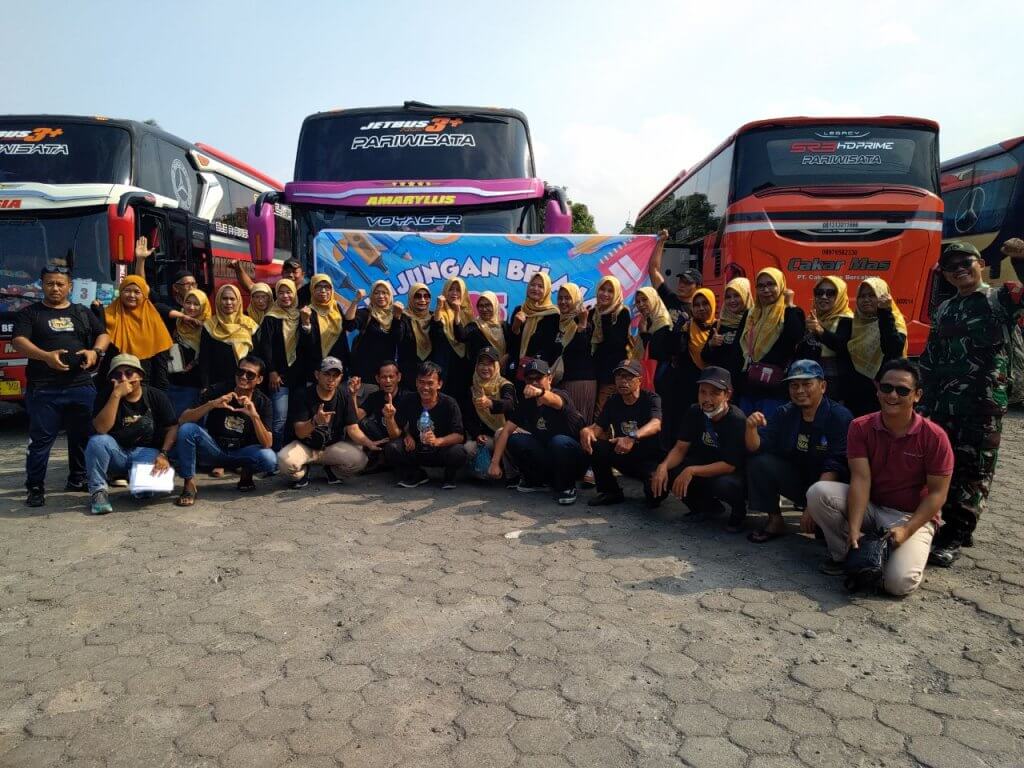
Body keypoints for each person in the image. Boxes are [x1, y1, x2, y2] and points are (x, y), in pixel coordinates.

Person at [806, 359, 953, 596]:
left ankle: (885, 557)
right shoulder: (860, 427)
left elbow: (937, 494)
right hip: (872, 507)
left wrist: (907, 530)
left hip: (909, 515)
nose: (892, 395)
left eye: (902, 390)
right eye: (886, 387)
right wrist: (854, 527)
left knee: (898, 584)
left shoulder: (935, 437)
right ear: (877, 390)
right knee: (818, 492)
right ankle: (848, 555)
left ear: (917, 395)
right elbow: (860, 479)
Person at [919, 240, 1024, 566]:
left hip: (983, 404)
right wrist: (923, 401)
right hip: (945, 404)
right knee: (944, 467)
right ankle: (954, 524)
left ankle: (956, 534)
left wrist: (1021, 259)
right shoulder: (945, 309)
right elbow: (932, 356)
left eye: (966, 262)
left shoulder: (1001, 298)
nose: (959, 270)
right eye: (951, 267)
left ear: (980, 263)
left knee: (975, 470)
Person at [13, 264, 110, 507]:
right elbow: (19, 341)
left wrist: (95, 351)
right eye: (50, 283)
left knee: (83, 437)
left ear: (70, 286)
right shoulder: (30, 313)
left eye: (60, 284)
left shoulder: (81, 311)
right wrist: (45, 356)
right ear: (42, 285)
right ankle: (35, 487)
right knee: (40, 441)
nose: (55, 288)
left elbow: (103, 334)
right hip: (44, 388)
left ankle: (78, 478)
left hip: (81, 385)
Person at [744, 360, 853, 542]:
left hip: (829, 488)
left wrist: (814, 505)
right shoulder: (784, 413)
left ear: (823, 386)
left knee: (825, 539)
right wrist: (750, 428)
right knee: (759, 462)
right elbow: (757, 446)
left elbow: (835, 464)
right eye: (794, 385)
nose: (800, 390)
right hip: (800, 481)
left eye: (807, 384)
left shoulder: (840, 417)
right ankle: (775, 521)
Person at [649, 367, 747, 526]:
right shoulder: (694, 411)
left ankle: (738, 511)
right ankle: (706, 508)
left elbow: (729, 465)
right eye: (703, 392)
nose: (707, 399)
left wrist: (692, 470)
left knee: (726, 485)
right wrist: (663, 466)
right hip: (702, 463)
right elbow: (680, 448)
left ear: (727, 395)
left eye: (714, 393)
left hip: (728, 471)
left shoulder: (736, 420)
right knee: (671, 471)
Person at [175, 355, 277, 505]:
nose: (243, 377)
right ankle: (189, 485)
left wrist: (254, 416)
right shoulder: (219, 390)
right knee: (187, 430)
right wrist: (211, 404)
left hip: (242, 453)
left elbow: (268, 443)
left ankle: (246, 473)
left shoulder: (263, 402)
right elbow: (183, 419)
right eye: (240, 372)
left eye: (250, 375)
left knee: (269, 458)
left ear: (259, 379)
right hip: (214, 449)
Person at [85, 354, 178, 515]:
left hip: (146, 451)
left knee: (143, 494)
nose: (123, 378)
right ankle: (98, 492)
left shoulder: (156, 396)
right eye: (117, 375)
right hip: (117, 452)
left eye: (129, 373)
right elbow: (101, 429)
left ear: (140, 375)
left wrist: (163, 454)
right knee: (97, 442)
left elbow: (173, 427)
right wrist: (116, 395)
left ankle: (134, 477)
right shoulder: (106, 395)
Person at [489, 359, 587, 505]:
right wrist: (495, 463)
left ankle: (567, 487)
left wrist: (540, 392)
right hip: (548, 454)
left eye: (539, 378)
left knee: (559, 441)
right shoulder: (527, 403)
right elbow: (507, 430)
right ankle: (537, 480)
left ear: (550, 378)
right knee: (514, 439)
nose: (534, 382)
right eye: (530, 379)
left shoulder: (561, 395)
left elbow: (555, 401)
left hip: (573, 457)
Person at [278, 357, 384, 488]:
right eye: (326, 374)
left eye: (335, 375)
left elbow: (353, 428)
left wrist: (369, 443)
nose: (331, 379)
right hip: (305, 446)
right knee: (284, 462)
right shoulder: (303, 394)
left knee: (360, 460)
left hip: (330, 447)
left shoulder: (345, 395)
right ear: (317, 375)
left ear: (341, 377)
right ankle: (304, 472)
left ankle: (331, 471)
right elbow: (300, 432)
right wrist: (315, 421)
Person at [581, 359, 664, 506]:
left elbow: (656, 424)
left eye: (628, 377)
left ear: (639, 380)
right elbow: (598, 429)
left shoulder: (651, 398)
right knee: (594, 444)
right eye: (619, 376)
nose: (622, 381)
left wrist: (632, 437)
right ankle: (610, 491)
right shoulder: (613, 401)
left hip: (648, 459)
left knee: (654, 498)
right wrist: (587, 431)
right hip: (623, 455)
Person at [385, 361, 468, 489]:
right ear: (416, 382)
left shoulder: (449, 403)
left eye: (430, 383)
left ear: (439, 384)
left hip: (440, 450)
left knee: (459, 452)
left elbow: (459, 436)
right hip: (416, 449)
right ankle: (416, 474)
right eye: (421, 382)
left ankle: (449, 476)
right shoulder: (408, 400)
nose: (425, 387)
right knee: (392, 447)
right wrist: (391, 420)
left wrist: (438, 441)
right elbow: (396, 433)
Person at [740, 268, 806, 418]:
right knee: (747, 430)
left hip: (774, 389)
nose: (766, 290)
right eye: (761, 286)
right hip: (748, 387)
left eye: (771, 284)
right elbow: (738, 349)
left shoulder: (791, 312)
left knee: (769, 429)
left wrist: (789, 304)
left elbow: (795, 336)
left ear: (781, 286)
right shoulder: (751, 314)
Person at [840, 278, 908, 416]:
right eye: (862, 296)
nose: (866, 300)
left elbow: (893, 348)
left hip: (882, 396)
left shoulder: (894, 321)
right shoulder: (853, 324)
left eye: (872, 295)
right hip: (854, 398)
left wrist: (885, 312)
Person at [99, 274, 174, 392]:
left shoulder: (153, 321)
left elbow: (160, 360)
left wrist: (160, 393)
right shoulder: (106, 316)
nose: (132, 295)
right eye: (127, 291)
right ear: (120, 292)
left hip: (144, 385)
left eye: (137, 292)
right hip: (113, 384)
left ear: (144, 294)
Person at [256, 279, 303, 450]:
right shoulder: (271, 318)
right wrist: (272, 371)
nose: (285, 296)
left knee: (296, 416)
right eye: (281, 293)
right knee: (279, 418)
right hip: (279, 376)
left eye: (288, 292)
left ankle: (291, 452)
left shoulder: (301, 316)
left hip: (298, 375)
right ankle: (275, 453)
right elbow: (266, 347)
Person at [197, 284, 258, 390]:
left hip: (245, 384)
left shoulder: (249, 325)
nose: (228, 302)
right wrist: (205, 386)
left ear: (238, 301)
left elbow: (256, 358)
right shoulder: (209, 325)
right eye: (224, 298)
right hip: (217, 385)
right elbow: (204, 360)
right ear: (218, 301)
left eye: (232, 299)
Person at [801, 276, 853, 398]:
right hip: (809, 379)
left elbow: (844, 347)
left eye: (831, 293)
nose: (824, 297)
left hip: (835, 383)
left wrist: (820, 331)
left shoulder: (848, 320)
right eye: (819, 292)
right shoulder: (813, 318)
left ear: (840, 296)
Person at [703, 276, 752, 400]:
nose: (732, 300)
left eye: (737, 295)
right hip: (720, 388)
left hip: (744, 388)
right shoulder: (719, 324)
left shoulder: (753, 322)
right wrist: (711, 344)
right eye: (728, 297)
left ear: (746, 296)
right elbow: (705, 357)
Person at [346, 280, 402, 387]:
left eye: (384, 293)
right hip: (364, 375)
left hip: (386, 376)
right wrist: (355, 301)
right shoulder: (366, 313)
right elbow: (349, 325)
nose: (381, 296)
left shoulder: (396, 314)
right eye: (376, 293)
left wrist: (397, 318)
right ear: (371, 296)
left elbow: (397, 339)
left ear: (390, 295)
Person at [508, 272, 561, 381]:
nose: (535, 289)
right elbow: (511, 344)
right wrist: (516, 326)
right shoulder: (519, 310)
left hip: (537, 373)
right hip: (516, 368)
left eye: (540, 286)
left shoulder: (554, 315)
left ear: (547, 290)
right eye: (532, 285)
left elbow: (551, 347)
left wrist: (532, 363)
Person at [555, 283, 596, 423]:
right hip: (562, 381)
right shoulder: (559, 322)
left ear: (576, 299)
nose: (563, 302)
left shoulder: (585, 322)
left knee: (578, 424)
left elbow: (582, 349)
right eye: (560, 298)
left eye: (568, 298)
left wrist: (582, 324)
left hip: (580, 382)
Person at [166, 288, 211, 417]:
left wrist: (205, 384)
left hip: (193, 385)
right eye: (188, 302)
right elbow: (157, 307)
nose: (191, 307)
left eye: (196, 304)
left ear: (204, 306)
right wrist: (182, 316)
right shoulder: (176, 320)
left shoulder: (209, 328)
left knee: (185, 421)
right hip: (171, 381)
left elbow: (208, 358)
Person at [590, 276, 632, 412]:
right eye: (602, 289)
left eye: (610, 291)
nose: (605, 294)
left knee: (602, 413)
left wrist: (606, 316)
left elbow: (616, 343)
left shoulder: (622, 312)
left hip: (612, 376)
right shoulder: (592, 313)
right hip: (593, 374)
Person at [300, 274, 350, 379]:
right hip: (318, 368)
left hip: (339, 366)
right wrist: (306, 323)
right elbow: (307, 343)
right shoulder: (307, 311)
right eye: (318, 287)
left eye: (327, 287)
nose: (323, 291)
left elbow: (347, 329)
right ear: (312, 289)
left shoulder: (336, 307)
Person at [432, 277, 474, 401]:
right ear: (445, 291)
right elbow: (434, 334)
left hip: (462, 365)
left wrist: (457, 313)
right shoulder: (439, 312)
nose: (454, 293)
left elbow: (463, 337)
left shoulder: (468, 314)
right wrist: (439, 308)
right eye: (451, 289)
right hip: (443, 363)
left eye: (458, 290)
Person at [648, 229, 699, 328]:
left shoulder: (697, 311)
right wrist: (661, 241)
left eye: (687, 283)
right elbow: (653, 270)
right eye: (681, 281)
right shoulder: (669, 297)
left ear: (698, 286)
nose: (682, 285)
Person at [397, 282, 436, 391]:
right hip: (408, 374)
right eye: (417, 296)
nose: (422, 300)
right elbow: (397, 337)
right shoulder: (403, 317)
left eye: (426, 296)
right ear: (411, 298)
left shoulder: (434, 318)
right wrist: (396, 318)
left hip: (431, 373)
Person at [232, 257, 311, 307]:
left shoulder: (309, 292)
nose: (290, 275)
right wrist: (238, 268)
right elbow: (251, 287)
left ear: (302, 275)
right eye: (287, 271)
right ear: (282, 274)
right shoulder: (274, 294)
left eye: (294, 272)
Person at [464, 291, 509, 367]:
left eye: (488, 305)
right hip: (480, 371)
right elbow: (461, 337)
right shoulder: (473, 326)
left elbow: (513, 347)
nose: (484, 309)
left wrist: (505, 358)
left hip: (502, 370)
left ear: (495, 305)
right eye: (481, 306)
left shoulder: (504, 326)